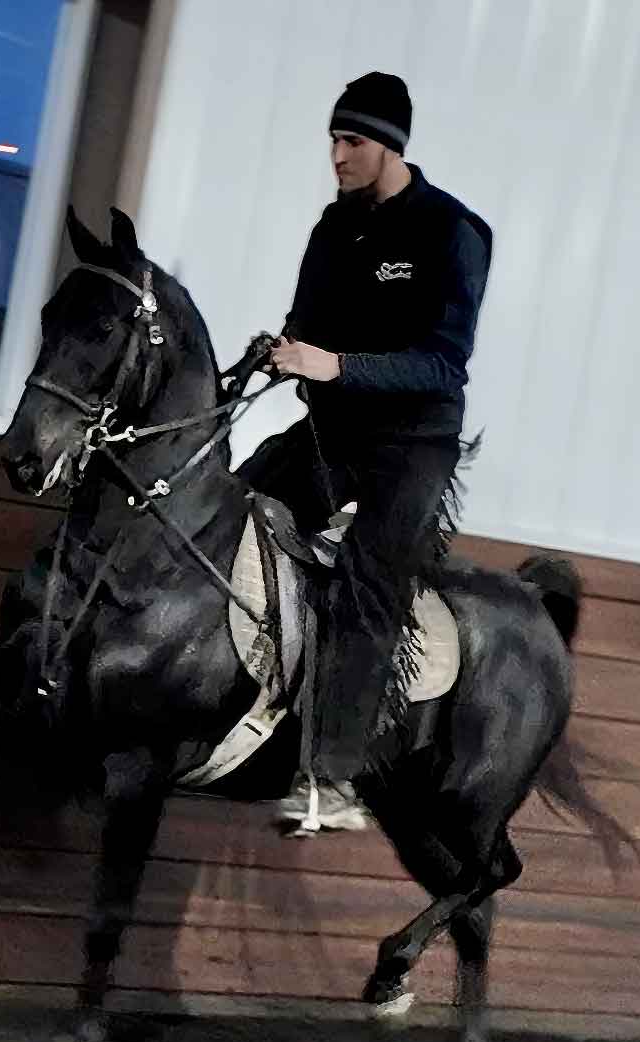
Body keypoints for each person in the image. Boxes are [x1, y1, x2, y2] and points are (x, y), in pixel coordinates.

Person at [236, 71, 494, 832]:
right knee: (235, 502)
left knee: (367, 581)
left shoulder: (453, 230)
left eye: (351, 141)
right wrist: (282, 350)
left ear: (390, 145)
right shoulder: (334, 225)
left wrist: (336, 365)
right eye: (333, 140)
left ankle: (333, 780)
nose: (337, 155)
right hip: (339, 430)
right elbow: (306, 323)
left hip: (413, 443)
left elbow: (444, 364)